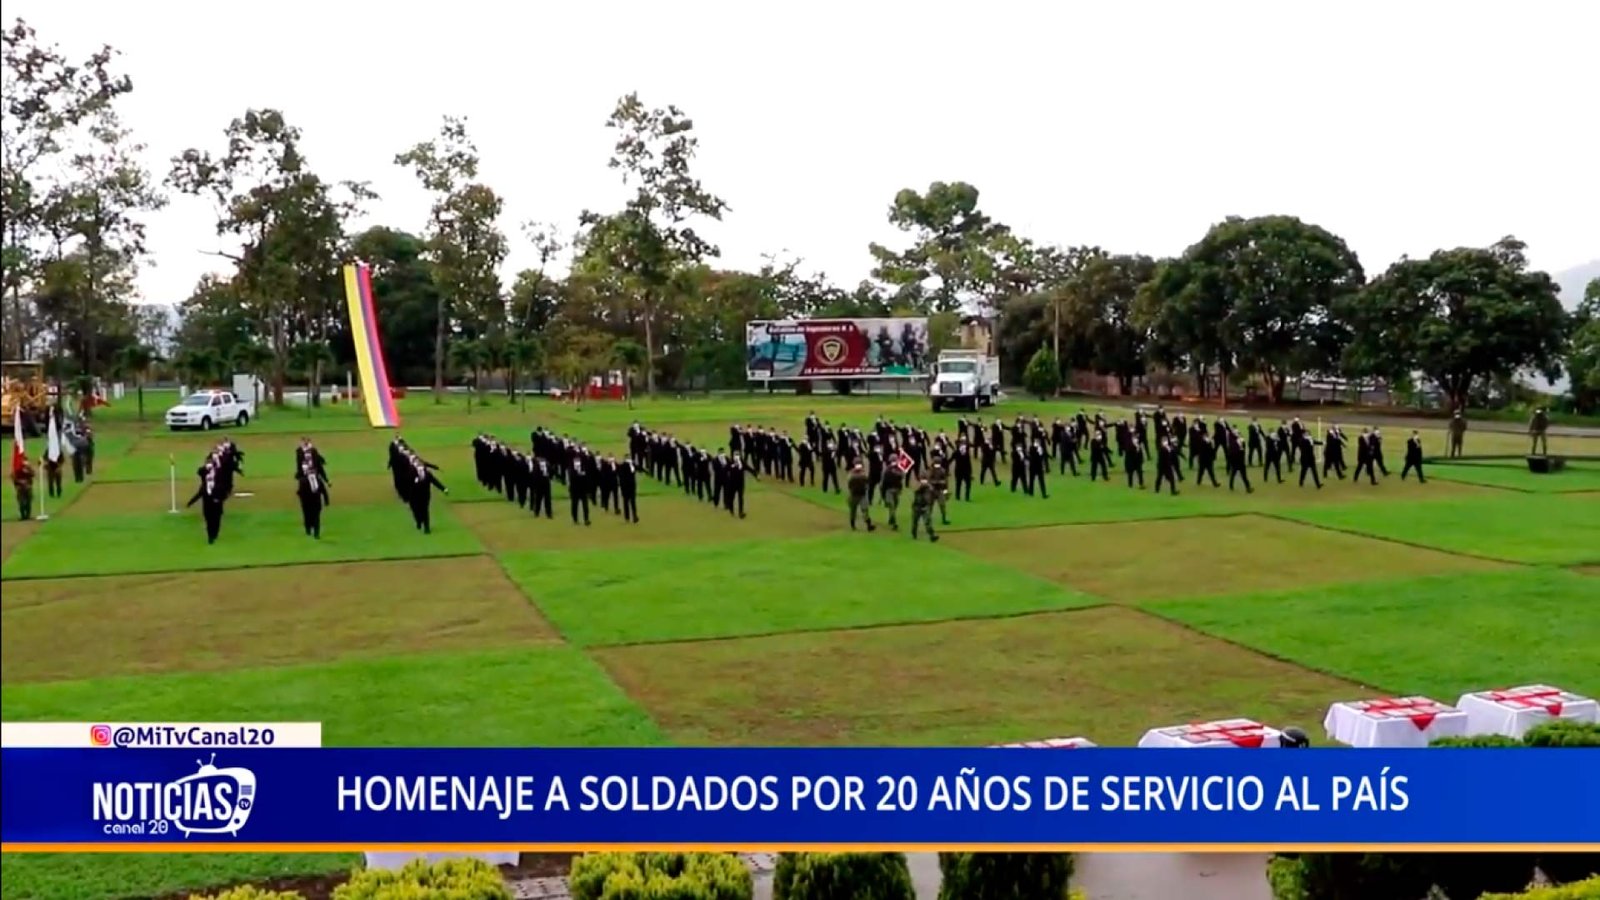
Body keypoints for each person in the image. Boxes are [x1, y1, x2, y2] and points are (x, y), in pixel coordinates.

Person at [187, 465, 227, 544]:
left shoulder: (218, 485)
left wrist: (218, 499)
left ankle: (215, 534)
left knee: (216, 521)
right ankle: (210, 537)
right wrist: (190, 503)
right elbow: (198, 495)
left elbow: (224, 494)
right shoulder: (204, 487)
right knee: (209, 522)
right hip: (207, 508)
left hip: (216, 507)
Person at [410, 460, 449, 533]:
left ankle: (426, 527)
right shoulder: (412, 473)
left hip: (425, 495)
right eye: (419, 467)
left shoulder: (427, 474)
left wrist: (444, 489)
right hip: (415, 495)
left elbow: (435, 481)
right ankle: (419, 521)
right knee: (417, 509)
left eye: (422, 467)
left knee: (425, 510)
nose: (421, 469)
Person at [296, 461, 330, 539]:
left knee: (313, 516)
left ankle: (313, 532)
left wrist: (326, 500)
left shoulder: (310, 480)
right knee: (312, 517)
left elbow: (323, 490)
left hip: (312, 502)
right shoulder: (307, 480)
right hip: (311, 502)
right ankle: (312, 531)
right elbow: (301, 492)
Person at [846, 461, 876, 532]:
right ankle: (868, 525)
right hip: (861, 494)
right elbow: (867, 482)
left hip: (854, 494)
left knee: (854, 511)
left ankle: (853, 525)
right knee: (864, 510)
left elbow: (849, 485)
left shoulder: (851, 474)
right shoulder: (863, 474)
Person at [910, 475, 940, 543]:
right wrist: (922, 486)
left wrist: (931, 489)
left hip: (925, 507)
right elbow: (916, 490)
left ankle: (932, 535)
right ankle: (914, 533)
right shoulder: (917, 486)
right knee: (915, 522)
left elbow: (934, 495)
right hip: (916, 507)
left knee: (928, 522)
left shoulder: (929, 488)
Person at [880, 459, 905, 530]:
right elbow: (883, 482)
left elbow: (902, 476)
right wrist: (883, 493)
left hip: (896, 490)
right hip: (889, 490)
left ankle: (891, 518)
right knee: (892, 506)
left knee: (895, 506)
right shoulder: (887, 470)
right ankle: (895, 523)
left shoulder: (899, 469)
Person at [618, 456, 639, 523]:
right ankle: (627, 517)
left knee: (632, 502)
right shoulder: (622, 466)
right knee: (626, 502)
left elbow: (638, 468)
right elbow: (621, 477)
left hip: (631, 486)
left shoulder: (632, 465)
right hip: (626, 487)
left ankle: (634, 516)